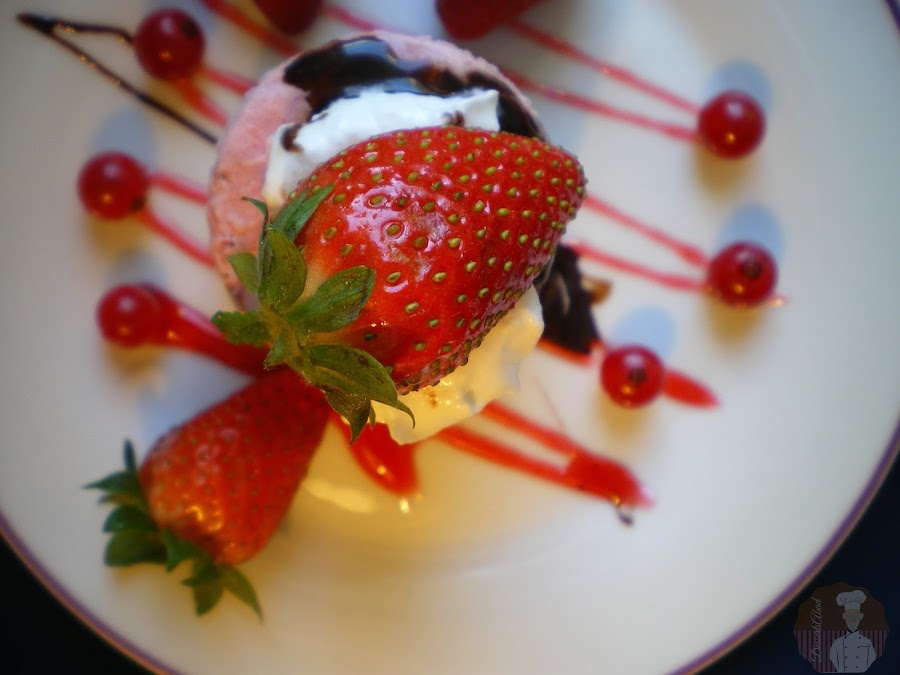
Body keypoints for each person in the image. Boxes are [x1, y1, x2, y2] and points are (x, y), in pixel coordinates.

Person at [829, 589, 878, 673]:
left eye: (856, 615)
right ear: (844, 616)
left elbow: (872, 663)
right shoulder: (837, 644)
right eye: (849, 615)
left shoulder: (867, 643)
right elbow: (833, 660)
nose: (853, 619)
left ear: (861, 616)